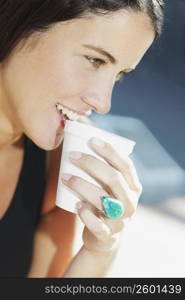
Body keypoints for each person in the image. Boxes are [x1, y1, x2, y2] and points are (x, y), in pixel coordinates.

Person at [0, 0, 164, 278]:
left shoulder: (57, 162)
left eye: (119, 74)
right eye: (95, 60)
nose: (103, 103)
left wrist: (99, 253)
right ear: (20, 25)